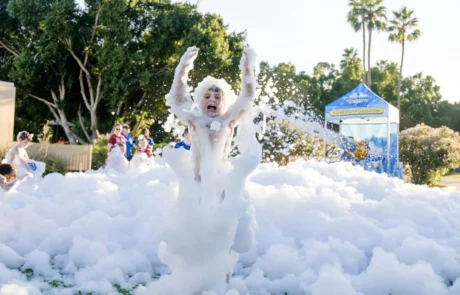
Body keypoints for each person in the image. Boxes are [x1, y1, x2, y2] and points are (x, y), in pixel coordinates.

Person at [166, 44, 256, 180]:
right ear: (200, 99)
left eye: (217, 97)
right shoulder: (195, 117)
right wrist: (183, 67)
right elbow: (177, 98)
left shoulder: (228, 119)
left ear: (224, 102)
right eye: (207, 97)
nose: (212, 100)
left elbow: (248, 97)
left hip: (220, 179)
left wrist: (247, 69)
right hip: (197, 179)